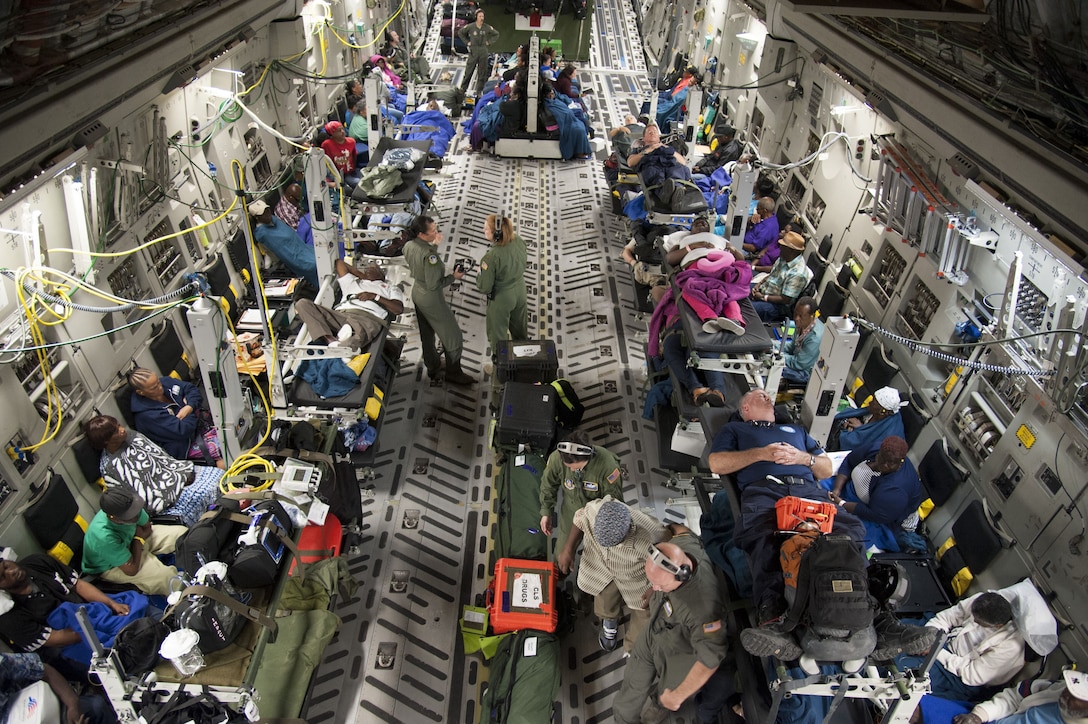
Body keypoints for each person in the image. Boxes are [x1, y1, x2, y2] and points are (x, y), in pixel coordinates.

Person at [611, 537, 732, 724]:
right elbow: (678, 530)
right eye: (652, 582)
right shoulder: (683, 548)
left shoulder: (704, 610)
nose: (655, 587)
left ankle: (658, 708)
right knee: (632, 685)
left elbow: (710, 659)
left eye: (660, 585)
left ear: (682, 574)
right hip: (656, 631)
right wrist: (655, 589)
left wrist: (677, 696)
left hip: (681, 652)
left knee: (666, 695)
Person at [0, 554, 145, 674]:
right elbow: (55, 639)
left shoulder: (36, 562)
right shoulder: (9, 617)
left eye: (6, 566)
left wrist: (111, 604)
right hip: (69, 641)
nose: (11, 572)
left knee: (136, 608)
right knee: (124, 650)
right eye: (3, 576)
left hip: (87, 611)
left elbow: (78, 585)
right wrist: (100, 630)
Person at [556, 496, 667, 653]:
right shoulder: (597, 508)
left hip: (636, 577)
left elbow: (668, 562)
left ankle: (633, 648)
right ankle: (609, 621)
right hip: (602, 566)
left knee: (645, 611)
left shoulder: (650, 537)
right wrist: (568, 548)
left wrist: (655, 588)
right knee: (604, 596)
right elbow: (581, 517)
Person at [647, 248, 750, 406]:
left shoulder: (718, 255)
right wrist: (690, 247)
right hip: (680, 322)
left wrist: (732, 250)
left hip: (705, 324)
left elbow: (740, 263)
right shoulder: (683, 271)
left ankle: (715, 391)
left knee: (701, 350)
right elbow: (670, 257)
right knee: (671, 349)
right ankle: (699, 389)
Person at [83, 414, 221, 527]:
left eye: (118, 425)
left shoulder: (133, 436)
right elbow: (139, 495)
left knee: (220, 476)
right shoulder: (111, 468)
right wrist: (174, 485)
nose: (122, 430)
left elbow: (162, 457)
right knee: (206, 492)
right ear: (106, 441)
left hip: (178, 474)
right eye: (115, 432)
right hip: (163, 499)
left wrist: (178, 474)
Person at [903, 592, 1026, 701]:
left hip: (957, 673)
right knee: (898, 632)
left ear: (998, 625)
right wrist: (929, 637)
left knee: (905, 673)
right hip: (943, 642)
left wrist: (936, 651)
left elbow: (972, 674)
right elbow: (946, 618)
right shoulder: (982, 601)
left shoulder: (1011, 646)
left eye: (979, 622)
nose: (974, 621)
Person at [403, 215, 475, 385]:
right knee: (453, 337)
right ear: (421, 234)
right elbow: (435, 284)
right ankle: (454, 372)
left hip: (417, 293)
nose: (436, 233)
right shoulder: (430, 256)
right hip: (431, 299)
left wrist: (434, 245)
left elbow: (421, 264)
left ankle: (433, 365)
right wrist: (454, 277)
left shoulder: (408, 245)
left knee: (427, 335)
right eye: (433, 231)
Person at [81, 484, 187, 596]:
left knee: (183, 534)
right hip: (111, 566)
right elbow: (132, 570)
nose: (136, 516)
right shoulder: (103, 536)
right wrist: (138, 539)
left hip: (134, 540)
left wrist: (138, 539)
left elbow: (147, 528)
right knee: (167, 578)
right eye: (129, 516)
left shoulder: (131, 506)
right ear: (112, 517)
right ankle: (191, 599)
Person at [539, 430, 624, 561]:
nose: (571, 471)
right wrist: (546, 512)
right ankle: (561, 574)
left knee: (605, 558)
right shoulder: (557, 458)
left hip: (599, 516)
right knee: (561, 556)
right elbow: (548, 484)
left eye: (575, 468)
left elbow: (613, 503)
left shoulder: (608, 466)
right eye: (568, 467)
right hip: (571, 511)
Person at [828, 435, 923, 552]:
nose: (884, 465)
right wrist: (837, 489)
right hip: (855, 493)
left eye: (890, 464)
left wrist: (842, 504)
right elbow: (849, 461)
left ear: (900, 462)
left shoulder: (895, 490)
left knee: (846, 538)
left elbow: (874, 515)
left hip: (885, 517)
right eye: (882, 459)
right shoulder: (877, 448)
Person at [294, 258, 404, 348]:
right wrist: (362, 276)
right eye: (367, 267)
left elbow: (398, 309)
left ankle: (343, 346)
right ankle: (331, 340)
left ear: (382, 274)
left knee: (355, 338)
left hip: (366, 318)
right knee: (302, 304)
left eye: (374, 267)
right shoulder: (352, 282)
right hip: (341, 314)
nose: (369, 267)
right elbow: (339, 263)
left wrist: (375, 296)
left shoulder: (390, 288)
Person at [126, 367, 221, 467]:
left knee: (233, 428)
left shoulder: (165, 382)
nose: (160, 387)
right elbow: (183, 430)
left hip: (200, 424)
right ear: (141, 392)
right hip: (185, 445)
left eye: (158, 382)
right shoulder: (146, 416)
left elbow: (192, 389)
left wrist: (189, 407)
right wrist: (189, 407)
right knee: (226, 447)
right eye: (154, 387)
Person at [1, 653, 117, 724]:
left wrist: (72, 705)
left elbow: (45, 670)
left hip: (36, 706)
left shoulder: (2, 663)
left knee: (96, 707)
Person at [949, 667, 1088, 724]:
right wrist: (980, 715)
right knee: (928, 708)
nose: (1066, 693)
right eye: (1069, 688)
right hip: (993, 719)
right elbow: (1014, 698)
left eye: (1077, 695)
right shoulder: (1055, 688)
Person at [475, 214, 527, 353]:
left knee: (498, 339)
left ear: (496, 234)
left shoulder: (490, 257)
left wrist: (480, 273)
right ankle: (524, 363)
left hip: (502, 297)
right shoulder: (519, 240)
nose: (483, 230)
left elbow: (484, 287)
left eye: (486, 229)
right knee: (520, 333)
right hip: (520, 290)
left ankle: (500, 372)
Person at [250, 199, 320, 289]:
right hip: (297, 258)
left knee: (322, 254)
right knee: (315, 264)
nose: (267, 215)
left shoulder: (273, 219)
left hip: (303, 248)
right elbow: (284, 253)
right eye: (263, 214)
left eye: (267, 210)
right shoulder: (263, 234)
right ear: (257, 217)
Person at [751, 230, 810, 324]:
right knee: (740, 289)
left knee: (747, 308)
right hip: (765, 290)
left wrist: (763, 297)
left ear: (792, 251)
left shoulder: (798, 273)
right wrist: (759, 284)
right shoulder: (783, 258)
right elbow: (772, 275)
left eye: (783, 246)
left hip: (776, 305)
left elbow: (785, 299)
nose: (780, 248)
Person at [830, 385, 908, 454]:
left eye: (874, 401)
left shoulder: (889, 432)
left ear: (882, 411)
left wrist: (857, 429)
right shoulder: (882, 412)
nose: (870, 402)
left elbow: (864, 446)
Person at [781, 296, 823, 386]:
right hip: (796, 359)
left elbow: (799, 364)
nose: (796, 318)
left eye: (801, 316)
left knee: (773, 367)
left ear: (812, 316)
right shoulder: (802, 324)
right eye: (795, 314)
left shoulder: (815, 338)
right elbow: (791, 347)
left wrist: (778, 355)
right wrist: (772, 346)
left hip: (804, 372)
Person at [457, 10, 499, 98]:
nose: (482, 18)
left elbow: (496, 34)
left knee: (482, 73)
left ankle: (479, 91)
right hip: (473, 51)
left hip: (483, 51)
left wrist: (489, 42)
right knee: (469, 71)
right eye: (480, 16)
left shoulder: (486, 27)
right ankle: (463, 89)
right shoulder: (471, 27)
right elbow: (460, 32)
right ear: (476, 17)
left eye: (483, 16)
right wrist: (467, 42)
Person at [320, 120, 360, 188]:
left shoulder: (351, 142)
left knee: (358, 183)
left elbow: (354, 156)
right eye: (339, 131)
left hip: (349, 173)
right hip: (335, 174)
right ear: (332, 134)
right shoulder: (326, 145)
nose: (342, 132)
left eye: (342, 129)